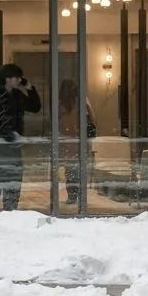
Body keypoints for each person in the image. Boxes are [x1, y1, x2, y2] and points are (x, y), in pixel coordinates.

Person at [0, 63, 40, 213]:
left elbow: (35, 107)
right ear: (8, 79)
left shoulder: (16, 95)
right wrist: (11, 136)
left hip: (13, 147)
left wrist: (30, 88)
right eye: (17, 77)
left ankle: (10, 213)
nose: (20, 80)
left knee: (13, 181)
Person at [57, 76, 96, 206]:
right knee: (77, 170)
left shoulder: (62, 104)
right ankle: (77, 195)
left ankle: (73, 195)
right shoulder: (81, 102)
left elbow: (58, 122)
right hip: (76, 140)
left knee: (70, 170)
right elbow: (93, 120)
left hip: (69, 140)